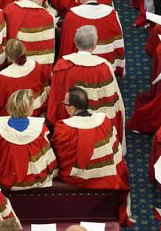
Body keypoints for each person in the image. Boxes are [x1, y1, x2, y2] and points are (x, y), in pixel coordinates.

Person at [51, 87, 131, 224]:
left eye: (64, 104)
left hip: (77, 178)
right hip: (107, 175)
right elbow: (114, 148)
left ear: (71, 108)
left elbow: (58, 157)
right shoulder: (104, 120)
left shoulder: (63, 128)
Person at [47, 25, 125, 137]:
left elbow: (56, 97)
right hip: (97, 128)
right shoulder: (103, 67)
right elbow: (110, 100)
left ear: (76, 42)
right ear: (94, 45)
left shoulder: (61, 65)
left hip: (68, 125)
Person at [0, 90, 57, 190]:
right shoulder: (39, 127)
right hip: (34, 179)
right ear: (29, 108)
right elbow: (46, 155)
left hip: (7, 177)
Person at [59, 0, 126, 75]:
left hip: (79, 68)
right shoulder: (111, 13)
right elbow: (118, 43)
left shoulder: (72, 16)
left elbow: (66, 45)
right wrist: (119, 68)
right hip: (105, 67)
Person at [2, 0, 56, 72]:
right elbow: (47, 49)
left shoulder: (9, 9)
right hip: (35, 69)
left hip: (12, 64)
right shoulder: (46, 17)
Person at [0, 39, 50, 118]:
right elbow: (45, 85)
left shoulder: (2, 78)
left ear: (8, 57)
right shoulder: (36, 65)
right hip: (37, 110)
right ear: (24, 50)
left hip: (15, 116)